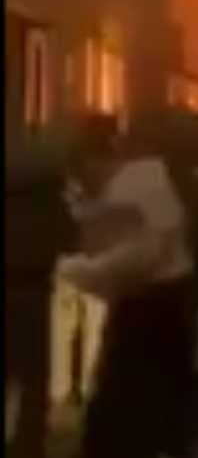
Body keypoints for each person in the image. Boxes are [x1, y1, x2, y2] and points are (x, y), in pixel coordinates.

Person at [57, 116, 198, 458]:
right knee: (152, 403)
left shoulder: (133, 186)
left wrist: (81, 270)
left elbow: (143, 253)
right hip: (163, 303)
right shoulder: (146, 179)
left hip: (149, 305)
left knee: (122, 401)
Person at [5, 129, 79, 458]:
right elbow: (70, 241)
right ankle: (29, 443)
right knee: (34, 375)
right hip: (35, 291)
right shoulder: (51, 202)